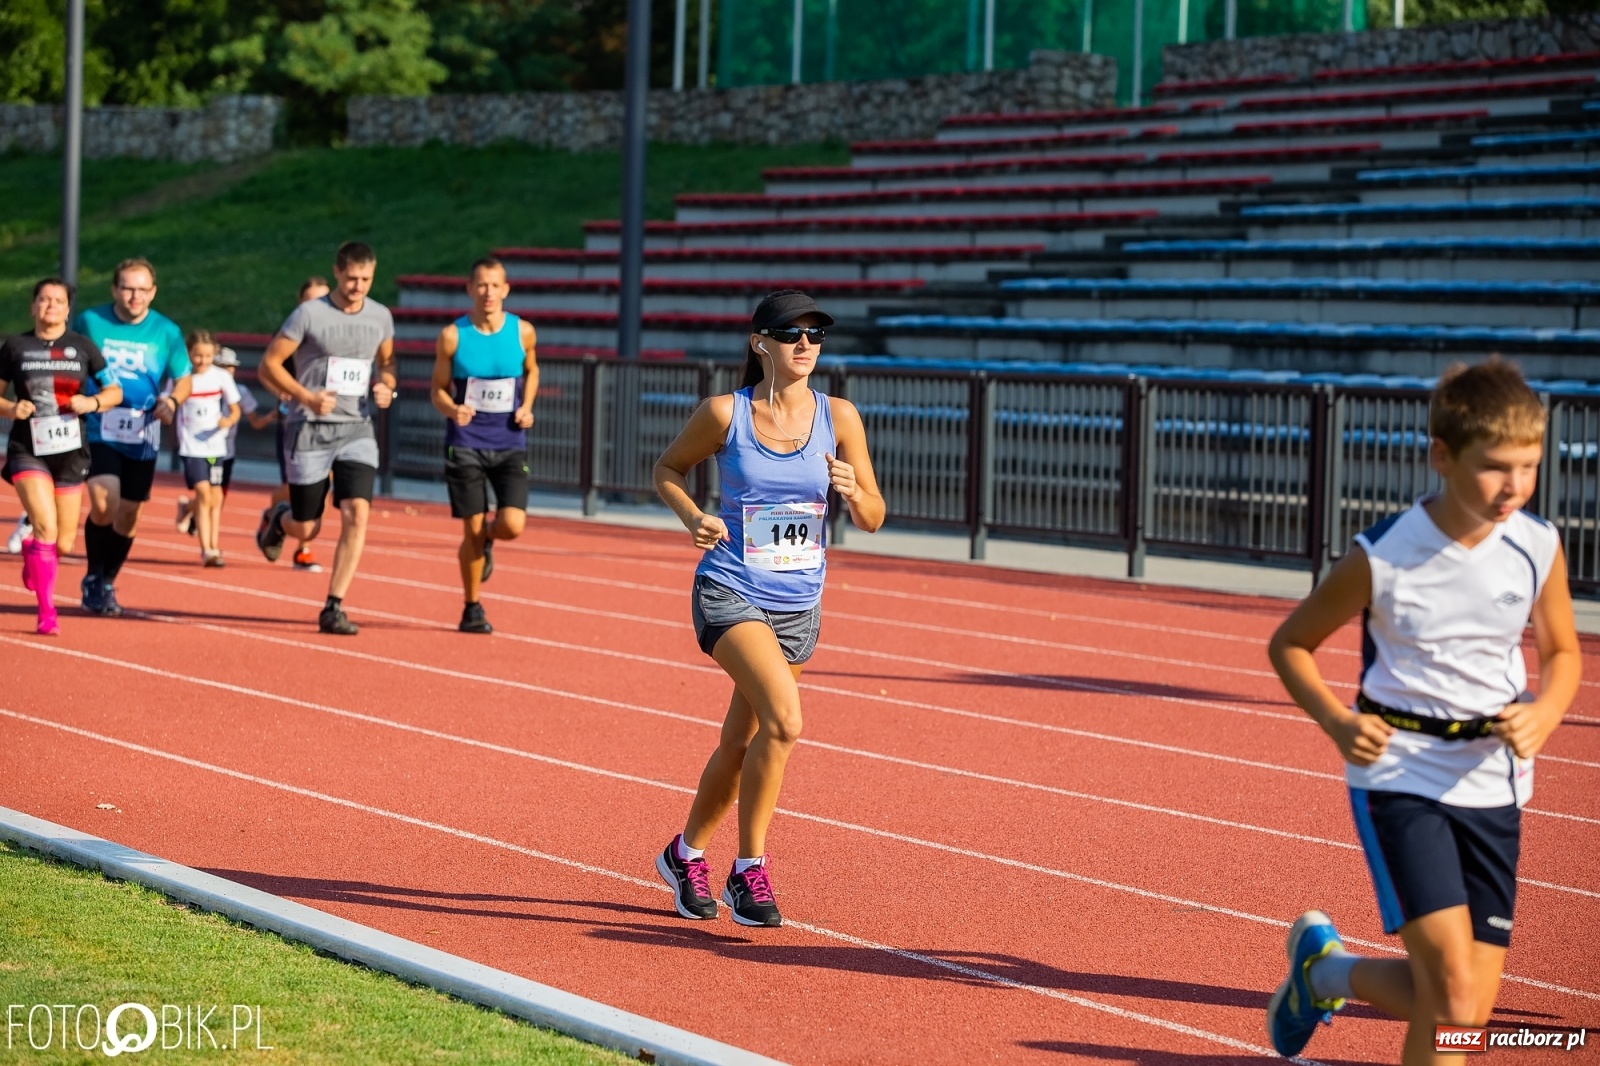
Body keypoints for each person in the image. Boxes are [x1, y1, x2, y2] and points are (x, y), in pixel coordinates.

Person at [1264, 358, 1581, 1064]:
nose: (1514, 488)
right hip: (1401, 776)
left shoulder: (1538, 546)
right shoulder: (1383, 557)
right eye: (1495, 467)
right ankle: (1326, 975)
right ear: (1442, 456)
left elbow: (1563, 652)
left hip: (1493, 780)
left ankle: (1323, 974)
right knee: (1452, 995)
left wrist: (1547, 710)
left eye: (1529, 467)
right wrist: (1340, 723)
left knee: (1464, 1007)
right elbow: (1290, 644)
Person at [651, 290, 884, 927]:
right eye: (791, 334)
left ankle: (684, 851)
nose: (806, 345)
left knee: (741, 742)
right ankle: (748, 870)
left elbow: (872, 516)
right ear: (761, 343)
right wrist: (694, 516)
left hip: (799, 602)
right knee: (785, 722)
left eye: (815, 334)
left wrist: (853, 489)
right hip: (731, 588)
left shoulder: (841, 416)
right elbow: (667, 469)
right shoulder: (726, 413)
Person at [256, 243, 395, 635]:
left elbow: (387, 363)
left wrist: (388, 385)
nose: (358, 286)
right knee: (307, 526)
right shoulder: (310, 314)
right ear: (337, 272)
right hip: (310, 430)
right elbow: (269, 364)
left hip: (357, 430)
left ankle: (334, 606)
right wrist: (306, 397)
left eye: (366, 279)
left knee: (357, 513)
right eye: (351, 278)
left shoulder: (381, 316)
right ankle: (278, 520)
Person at [0, 278, 121, 634]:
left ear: (68, 309)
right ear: (33, 306)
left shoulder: (84, 347)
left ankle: (32, 550)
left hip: (71, 452)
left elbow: (114, 391)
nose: (51, 305)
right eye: (44, 299)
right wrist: (10, 408)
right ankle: (46, 610)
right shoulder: (14, 347)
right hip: (28, 450)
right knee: (46, 528)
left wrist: (92, 402)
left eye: (58, 300)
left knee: (63, 542)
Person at [72, 257, 191, 616]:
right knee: (105, 500)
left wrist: (172, 400)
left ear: (153, 292)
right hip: (99, 426)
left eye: (142, 289)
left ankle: (107, 580)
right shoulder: (90, 322)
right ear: (114, 289)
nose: (135, 296)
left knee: (129, 516)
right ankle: (93, 575)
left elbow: (183, 377)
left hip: (143, 432)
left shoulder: (166, 331)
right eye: (127, 288)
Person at [429, 256, 538, 634]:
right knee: (471, 531)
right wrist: (452, 407)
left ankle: (490, 540)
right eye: (481, 285)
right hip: (466, 443)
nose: (488, 292)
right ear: (469, 289)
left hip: (509, 441)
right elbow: (437, 390)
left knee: (511, 524)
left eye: (495, 285)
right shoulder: (452, 336)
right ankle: (471, 606)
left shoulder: (523, 332)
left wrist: (526, 407)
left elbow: (532, 371)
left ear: (505, 289)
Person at [255, 276, 331, 573]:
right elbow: (266, 370)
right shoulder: (290, 333)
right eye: (311, 300)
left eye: (323, 300)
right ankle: (274, 515)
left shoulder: (338, 332)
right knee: (294, 486)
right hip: (295, 421)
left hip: (331, 422)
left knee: (322, 487)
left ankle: (303, 548)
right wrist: (283, 394)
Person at [175, 345, 274, 538]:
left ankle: (189, 508)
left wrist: (272, 416)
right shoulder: (197, 384)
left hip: (224, 451)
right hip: (199, 448)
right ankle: (208, 543)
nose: (229, 371)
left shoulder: (240, 392)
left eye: (232, 367)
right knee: (208, 495)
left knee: (216, 498)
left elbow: (256, 421)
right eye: (223, 366)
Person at [170, 331, 241, 567]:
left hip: (216, 447)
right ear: (188, 353)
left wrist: (228, 421)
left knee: (215, 497)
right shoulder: (180, 377)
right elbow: (167, 402)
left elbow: (235, 410)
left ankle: (214, 544)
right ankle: (206, 549)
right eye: (197, 355)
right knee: (203, 493)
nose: (202, 361)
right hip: (191, 446)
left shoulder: (221, 376)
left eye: (208, 356)